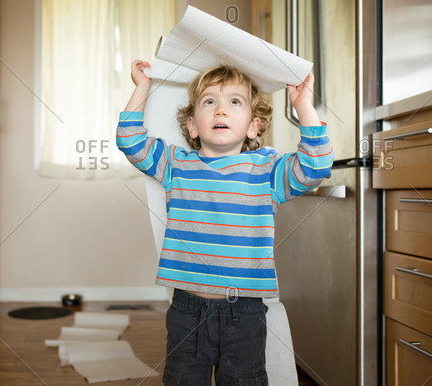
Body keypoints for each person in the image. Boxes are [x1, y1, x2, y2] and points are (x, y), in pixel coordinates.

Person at [116, 60, 333, 385]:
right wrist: (142, 87)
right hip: (187, 310)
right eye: (209, 102)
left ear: (252, 127)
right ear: (192, 126)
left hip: (245, 312)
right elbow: (129, 140)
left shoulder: (267, 169)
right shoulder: (176, 164)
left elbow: (315, 167)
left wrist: (303, 106)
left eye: (234, 102)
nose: (221, 111)